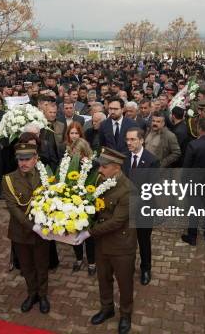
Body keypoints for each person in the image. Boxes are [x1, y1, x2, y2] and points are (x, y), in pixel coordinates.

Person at [75, 147, 136, 334]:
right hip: (102, 242)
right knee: (103, 278)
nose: (99, 170)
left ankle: (125, 315)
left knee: (124, 283)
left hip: (121, 244)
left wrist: (89, 233)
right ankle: (107, 308)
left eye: (104, 166)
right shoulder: (101, 179)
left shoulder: (128, 190)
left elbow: (117, 222)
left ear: (116, 168)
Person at [2, 143, 50, 314]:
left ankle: (43, 295)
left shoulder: (45, 176)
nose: (23, 163)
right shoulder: (8, 179)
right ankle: (32, 294)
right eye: (20, 159)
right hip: (20, 231)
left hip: (42, 231)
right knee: (27, 266)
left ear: (36, 159)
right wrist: (32, 227)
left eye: (27, 159)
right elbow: (13, 208)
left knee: (42, 264)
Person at [123, 127, 159, 286]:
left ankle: (146, 268)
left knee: (144, 241)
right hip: (126, 208)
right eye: (127, 139)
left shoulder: (152, 160)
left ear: (141, 140)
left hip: (144, 208)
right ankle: (128, 266)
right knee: (127, 240)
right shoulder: (123, 158)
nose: (129, 143)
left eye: (132, 139)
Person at [64, 122, 95, 274]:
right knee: (74, 230)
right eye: (74, 153)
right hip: (72, 200)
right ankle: (78, 258)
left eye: (79, 153)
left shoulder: (92, 163)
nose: (77, 155)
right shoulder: (67, 158)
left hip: (87, 201)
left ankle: (92, 262)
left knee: (88, 233)